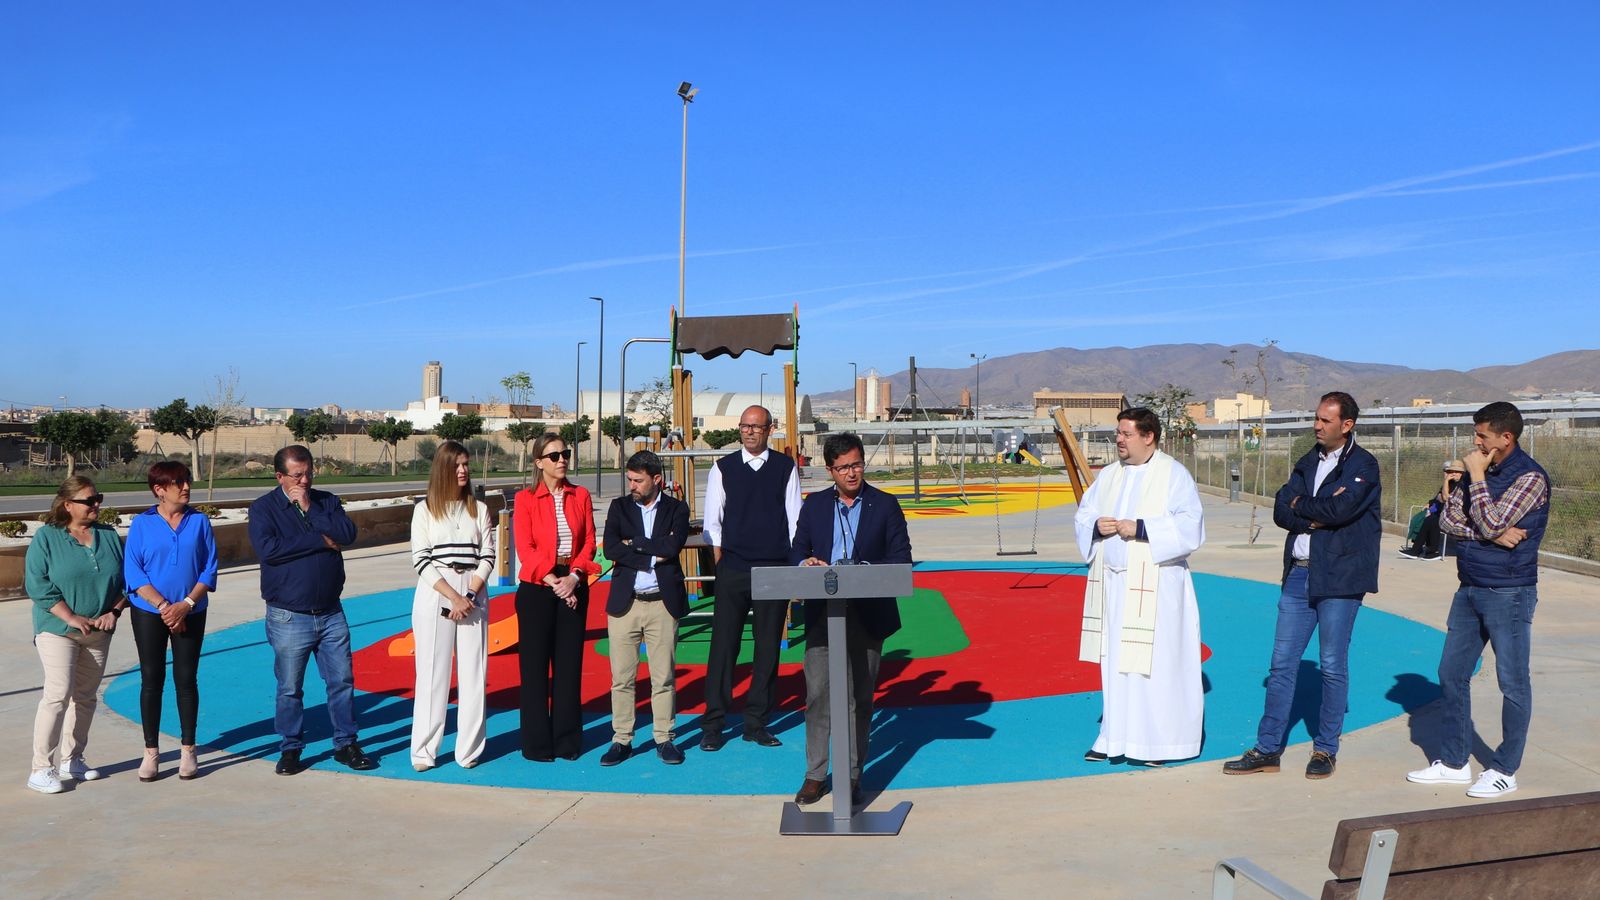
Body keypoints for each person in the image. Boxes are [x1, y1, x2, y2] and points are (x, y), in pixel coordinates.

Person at [1224, 392, 1381, 780]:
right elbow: (1281, 508)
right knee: (1281, 665)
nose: (1317, 425)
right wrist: (1311, 513)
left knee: (1331, 665)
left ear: (1347, 425)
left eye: (1326, 421)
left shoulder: (1364, 465)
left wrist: (1302, 505)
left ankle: (1325, 749)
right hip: (1298, 573)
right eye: (1316, 418)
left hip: (1339, 579)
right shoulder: (1308, 460)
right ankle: (1268, 748)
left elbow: (1341, 510)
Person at [1407, 401, 1550, 799]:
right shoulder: (1482, 474)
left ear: (1506, 438)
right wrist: (1490, 533)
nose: (1475, 442)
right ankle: (1454, 762)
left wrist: (1474, 477)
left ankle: (1505, 768)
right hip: (1468, 587)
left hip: (1509, 592)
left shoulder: (1530, 478)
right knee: (1451, 674)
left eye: (1482, 435)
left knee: (1513, 683)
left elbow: (1487, 520)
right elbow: (1448, 520)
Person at [1073, 407, 1206, 766]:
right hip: (1115, 586)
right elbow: (1084, 513)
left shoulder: (1173, 475)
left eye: (1126, 434)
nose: (1118, 439)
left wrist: (1143, 528)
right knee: (1116, 662)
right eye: (1117, 433)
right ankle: (1114, 737)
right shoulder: (1109, 475)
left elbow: (1191, 527)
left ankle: (1158, 744)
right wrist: (1096, 525)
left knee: (1154, 665)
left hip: (1158, 587)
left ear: (1149, 437)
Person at [791, 432, 912, 806]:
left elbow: (901, 559)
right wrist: (805, 564)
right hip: (823, 617)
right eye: (843, 467)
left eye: (857, 464)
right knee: (818, 696)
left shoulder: (886, 505)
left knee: (859, 699)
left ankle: (852, 775)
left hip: (868, 615)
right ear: (830, 470)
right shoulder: (814, 506)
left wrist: (866, 571)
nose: (852, 473)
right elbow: (798, 550)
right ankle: (815, 774)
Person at [247, 445, 373, 776]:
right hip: (289, 616)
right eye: (297, 475)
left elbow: (347, 534)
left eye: (309, 473)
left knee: (342, 681)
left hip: (331, 613)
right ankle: (291, 748)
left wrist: (309, 509)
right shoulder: (264, 509)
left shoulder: (326, 502)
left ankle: (346, 743)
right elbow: (270, 551)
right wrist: (320, 540)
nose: (304, 480)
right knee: (290, 687)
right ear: (279, 476)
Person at [700, 404, 802, 751]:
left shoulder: (786, 467)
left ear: (769, 429)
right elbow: (712, 524)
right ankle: (713, 724)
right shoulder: (723, 467)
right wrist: (723, 567)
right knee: (723, 647)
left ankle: (756, 723)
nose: (749, 432)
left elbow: (795, 522)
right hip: (734, 568)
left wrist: (793, 569)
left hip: (774, 568)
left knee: (768, 648)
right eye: (744, 426)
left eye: (756, 427)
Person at [24, 477, 127, 794]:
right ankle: (41, 768)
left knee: (84, 697)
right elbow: (37, 584)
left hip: (99, 632)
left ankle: (73, 759)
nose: (97, 504)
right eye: (89, 500)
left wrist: (115, 610)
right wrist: (70, 616)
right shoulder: (47, 538)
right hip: (58, 630)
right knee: (58, 694)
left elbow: (128, 580)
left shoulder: (108, 536)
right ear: (67, 505)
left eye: (98, 498)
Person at [123, 461, 219, 781]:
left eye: (187, 481)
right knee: (152, 679)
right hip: (149, 611)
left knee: (186, 678)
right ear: (159, 490)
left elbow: (209, 566)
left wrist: (187, 604)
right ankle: (151, 752)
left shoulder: (200, 521)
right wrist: (166, 607)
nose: (186, 487)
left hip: (192, 609)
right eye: (178, 482)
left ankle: (188, 749)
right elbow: (134, 572)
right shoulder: (141, 524)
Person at [599, 450, 690, 767]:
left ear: (657, 480)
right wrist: (650, 552)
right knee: (621, 679)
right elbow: (610, 548)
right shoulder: (619, 507)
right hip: (625, 606)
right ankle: (621, 740)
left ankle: (664, 738)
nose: (632, 485)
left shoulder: (678, 509)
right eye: (630, 479)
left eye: (638, 480)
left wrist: (633, 544)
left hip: (662, 606)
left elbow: (673, 546)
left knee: (662, 678)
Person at [512, 433, 600, 762]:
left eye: (565, 454)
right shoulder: (524, 500)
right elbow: (526, 548)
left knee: (568, 669)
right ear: (539, 463)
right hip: (538, 589)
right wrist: (554, 582)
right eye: (554, 456)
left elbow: (589, 542)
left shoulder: (581, 496)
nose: (562, 460)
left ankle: (567, 742)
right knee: (534, 671)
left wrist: (574, 578)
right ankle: (537, 745)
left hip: (573, 585)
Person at [408, 440, 495, 771]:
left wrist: (469, 595)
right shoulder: (425, 510)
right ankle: (424, 752)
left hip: (474, 590)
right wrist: (453, 596)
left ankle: (469, 750)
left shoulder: (480, 510)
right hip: (436, 591)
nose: (463, 470)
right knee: (432, 672)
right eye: (456, 465)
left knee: (474, 672)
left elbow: (488, 554)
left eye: (466, 464)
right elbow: (421, 559)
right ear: (443, 468)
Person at [1399, 460, 1464, 560]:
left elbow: (1445, 499)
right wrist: (1432, 503)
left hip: (1456, 516)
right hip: (1442, 511)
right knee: (1425, 518)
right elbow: (1440, 498)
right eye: (1450, 471)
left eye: (1456, 471)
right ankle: (1420, 550)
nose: (1453, 474)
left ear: (1462, 473)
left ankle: (1426, 551)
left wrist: (1445, 482)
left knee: (1432, 520)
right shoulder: (1449, 484)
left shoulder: (1462, 484)